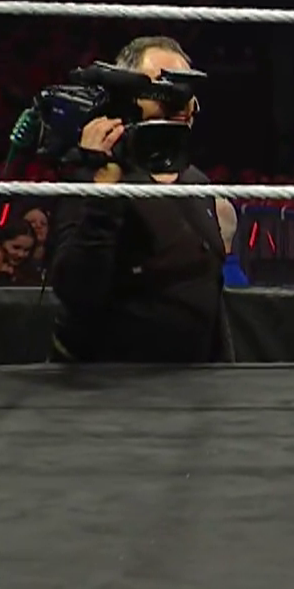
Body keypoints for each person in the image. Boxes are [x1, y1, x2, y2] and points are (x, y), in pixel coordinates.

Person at [47, 36, 232, 363]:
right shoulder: (90, 176)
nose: (179, 101)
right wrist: (105, 189)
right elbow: (76, 292)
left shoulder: (195, 181)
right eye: (162, 88)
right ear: (125, 96)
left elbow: (209, 292)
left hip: (195, 382)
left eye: (185, 89)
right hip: (114, 383)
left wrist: (225, 371)